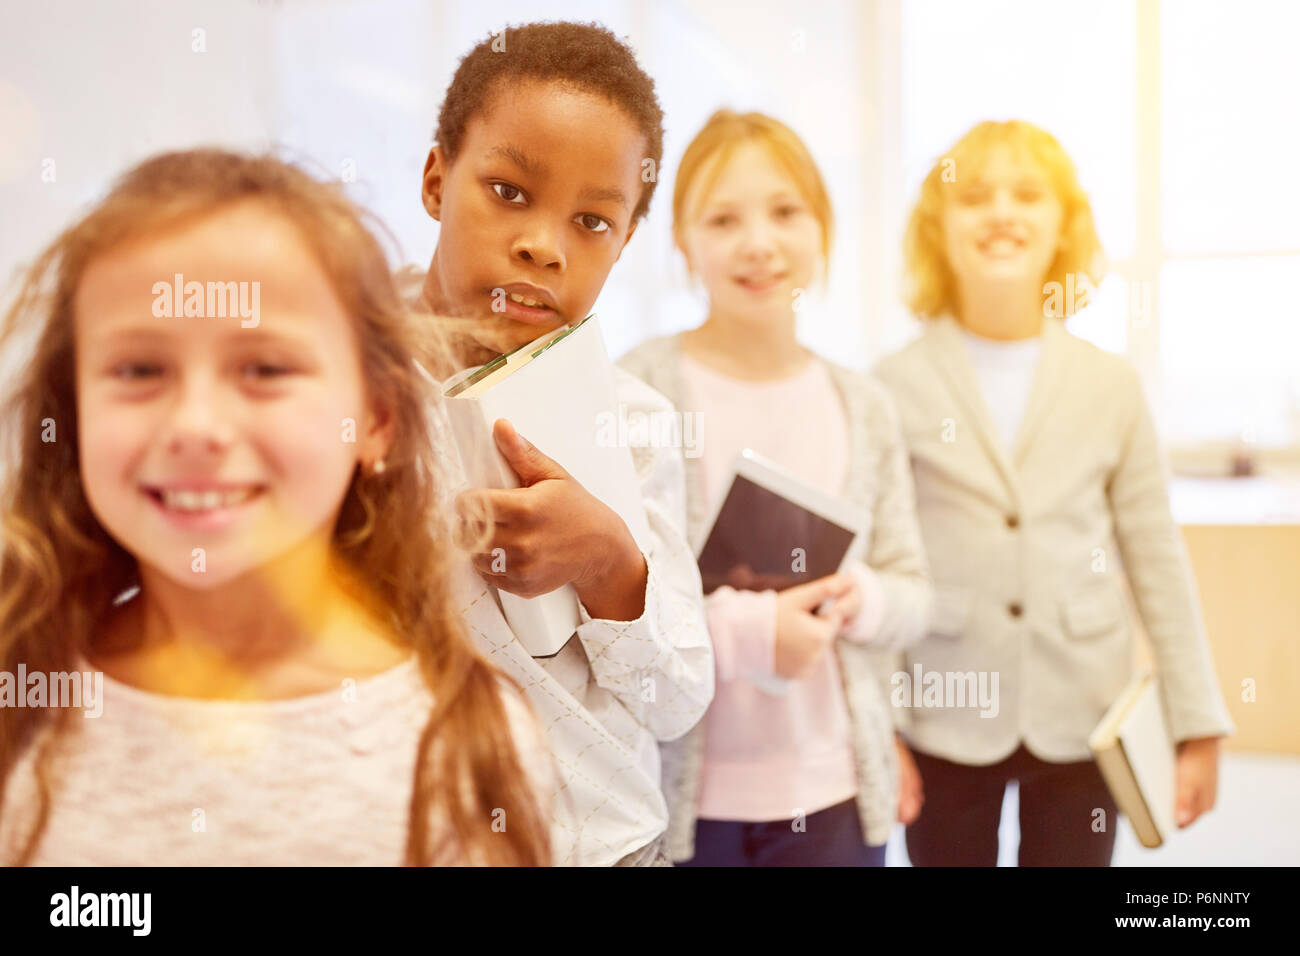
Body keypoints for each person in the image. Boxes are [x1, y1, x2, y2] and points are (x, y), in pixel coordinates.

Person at [0, 149, 553, 866]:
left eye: (264, 369)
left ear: (377, 418)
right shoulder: (23, 703)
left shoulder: (462, 750)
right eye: (140, 370)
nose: (195, 426)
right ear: (71, 411)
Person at [874, 119, 1234, 866]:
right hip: (943, 708)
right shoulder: (889, 385)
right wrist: (879, 722)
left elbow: (1156, 556)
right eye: (975, 196)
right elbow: (878, 563)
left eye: (1028, 195)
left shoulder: (1111, 386)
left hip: (1084, 713)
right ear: (938, 227)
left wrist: (1197, 720)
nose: (1002, 211)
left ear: (1063, 226)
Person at [403, 21, 714, 866]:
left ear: (625, 242)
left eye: (592, 221)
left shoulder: (635, 423)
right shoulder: (340, 387)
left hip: (599, 845)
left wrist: (609, 561)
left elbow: (677, 697)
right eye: (508, 191)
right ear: (438, 180)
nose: (545, 245)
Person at [619, 110, 933, 865]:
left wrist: (867, 598)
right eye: (723, 219)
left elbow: (915, 591)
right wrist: (749, 634)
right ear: (684, 244)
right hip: (677, 796)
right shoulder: (637, 390)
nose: (758, 242)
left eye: (786, 212)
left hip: (833, 794)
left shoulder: (865, 405)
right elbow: (616, 610)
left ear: (822, 230)